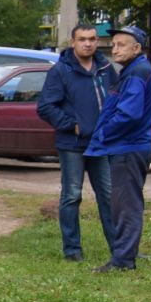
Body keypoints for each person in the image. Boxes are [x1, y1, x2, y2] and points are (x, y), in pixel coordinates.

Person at [35, 23, 119, 262]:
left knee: (109, 195)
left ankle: (119, 248)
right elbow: (45, 107)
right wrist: (72, 124)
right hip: (72, 145)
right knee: (72, 195)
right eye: (82, 39)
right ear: (73, 42)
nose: (88, 43)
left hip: (101, 144)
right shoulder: (61, 71)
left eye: (92, 39)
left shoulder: (104, 68)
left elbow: (115, 98)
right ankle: (72, 251)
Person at [86, 25, 151, 273]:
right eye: (114, 44)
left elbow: (128, 114)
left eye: (122, 45)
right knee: (127, 203)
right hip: (130, 146)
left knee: (125, 205)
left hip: (128, 148)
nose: (115, 49)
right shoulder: (134, 70)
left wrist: (105, 134)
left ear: (137, 48)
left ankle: (123, 262)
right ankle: (126, 254)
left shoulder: (137, 72)